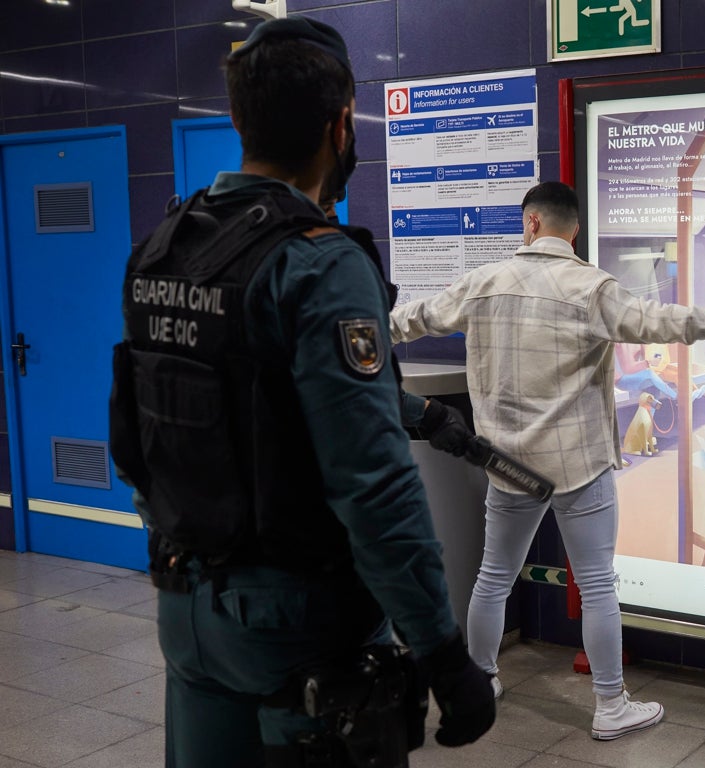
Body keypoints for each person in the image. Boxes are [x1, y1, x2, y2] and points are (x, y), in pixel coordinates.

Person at [108, 18, 493, 767]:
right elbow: (371, 485)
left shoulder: (162, 249)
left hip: (187, 605)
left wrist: (418, 414)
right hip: (299, 626)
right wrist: (442, 649)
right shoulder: (317, 262)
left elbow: (217, 400)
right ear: (340, 124)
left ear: (239, 118)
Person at [389, 180, 705, 740]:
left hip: (506, 464)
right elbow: (669, 322)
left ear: (529, 223)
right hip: (577, 464)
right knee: (598, 583)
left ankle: (482, 679)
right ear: (573, 229)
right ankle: (610, 706)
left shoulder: (481, 283)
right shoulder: (592, 287)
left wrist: (339, 333)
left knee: (493, 577)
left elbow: (409, 320)